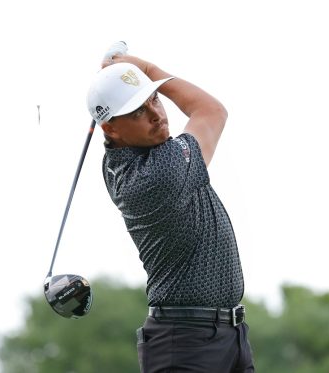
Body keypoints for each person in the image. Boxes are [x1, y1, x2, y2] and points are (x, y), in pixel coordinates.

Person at [86, 53, 255, 373]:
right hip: (187, 344)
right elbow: (212, 111)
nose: (157, 115)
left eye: (154, 99)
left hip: (226, 337)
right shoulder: (160, 172)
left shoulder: (117, 159)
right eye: (138, 111)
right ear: (112, 129)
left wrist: (128, 80)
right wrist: (147, 70)